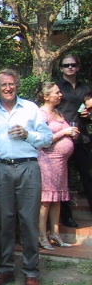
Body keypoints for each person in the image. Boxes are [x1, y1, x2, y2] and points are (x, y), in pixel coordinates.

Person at [0, 69, 52, 285]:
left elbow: (47, 139)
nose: (8, 88)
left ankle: (31, 272)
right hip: (0, 169)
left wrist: (28, 135)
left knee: (29, 220)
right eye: (3, 85)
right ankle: (5, 269)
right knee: (4, 220)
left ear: (17, 85)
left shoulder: (31, 108)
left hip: (28, 167)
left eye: (12, 84)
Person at [36, 82, 78, 250]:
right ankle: (42, 235)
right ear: (46, 96)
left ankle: (55, 233)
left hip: (61, 163)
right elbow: (42, 141)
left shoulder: (58, 112)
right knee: (46, 200)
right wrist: (64, 132)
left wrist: (72, 134)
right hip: (48, 161)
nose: (60, 95)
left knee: (57, 199)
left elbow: (64, 133)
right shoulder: (41, 114)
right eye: (57, 92)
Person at [56, 54, 92, 227]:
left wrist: (89, 115)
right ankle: (66, 216)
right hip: (62, 137)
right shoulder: (57, 87)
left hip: (81, 137)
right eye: (66, 65)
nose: (70, 67)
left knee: (89, 175)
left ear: (78, 67)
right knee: (64, 179)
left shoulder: (86, 88)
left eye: (73, 65)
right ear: (61, 68)